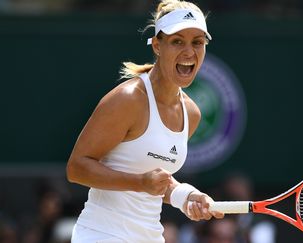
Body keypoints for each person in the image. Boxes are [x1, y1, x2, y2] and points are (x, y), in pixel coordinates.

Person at [66, 0, 223, 242]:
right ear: (158, 45)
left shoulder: (191, 113)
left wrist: (186, 196)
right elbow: (76, 168)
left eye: (197, 42)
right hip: (100, 235)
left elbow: (157, 182)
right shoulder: (129, 99)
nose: (189, 52)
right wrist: (139, 182)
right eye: (177, 41)